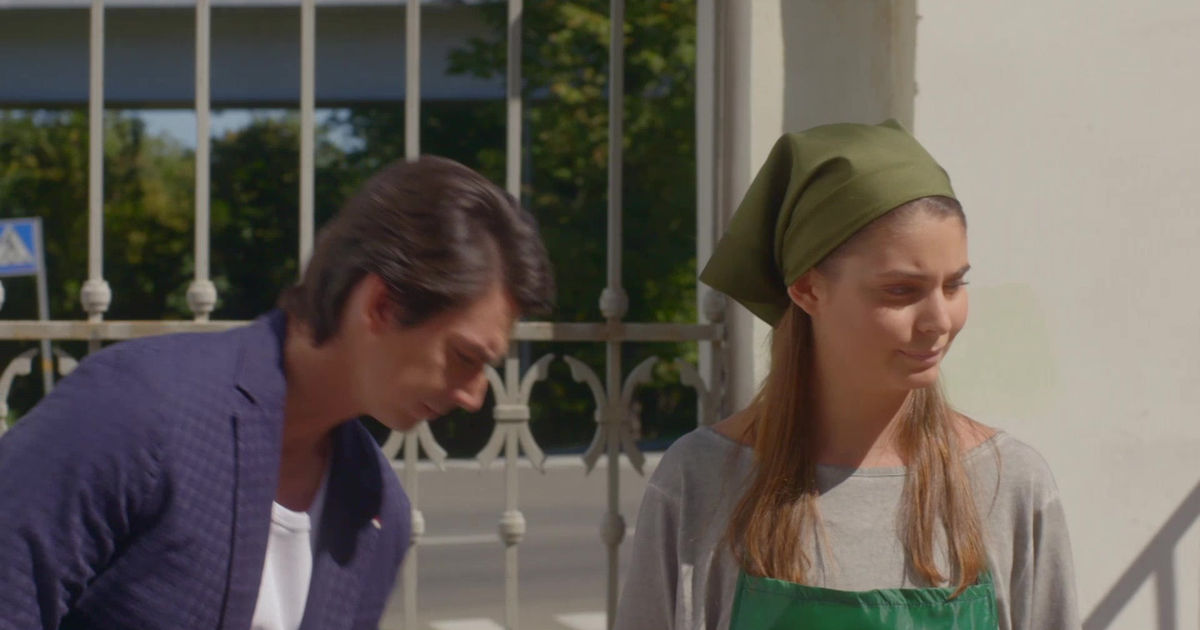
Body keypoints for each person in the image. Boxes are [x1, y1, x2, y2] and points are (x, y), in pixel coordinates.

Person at [0, 156, 554, 630]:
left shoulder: (376, 512)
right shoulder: (137, 410)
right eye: (464, 357)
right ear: (380, 306)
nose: (474, 396)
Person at [614, 120, 1079, 630]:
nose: (939, 321)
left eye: (953, 286)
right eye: (901, 290)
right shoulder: (701, 482)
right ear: (807, 289)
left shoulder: (1008, 486)